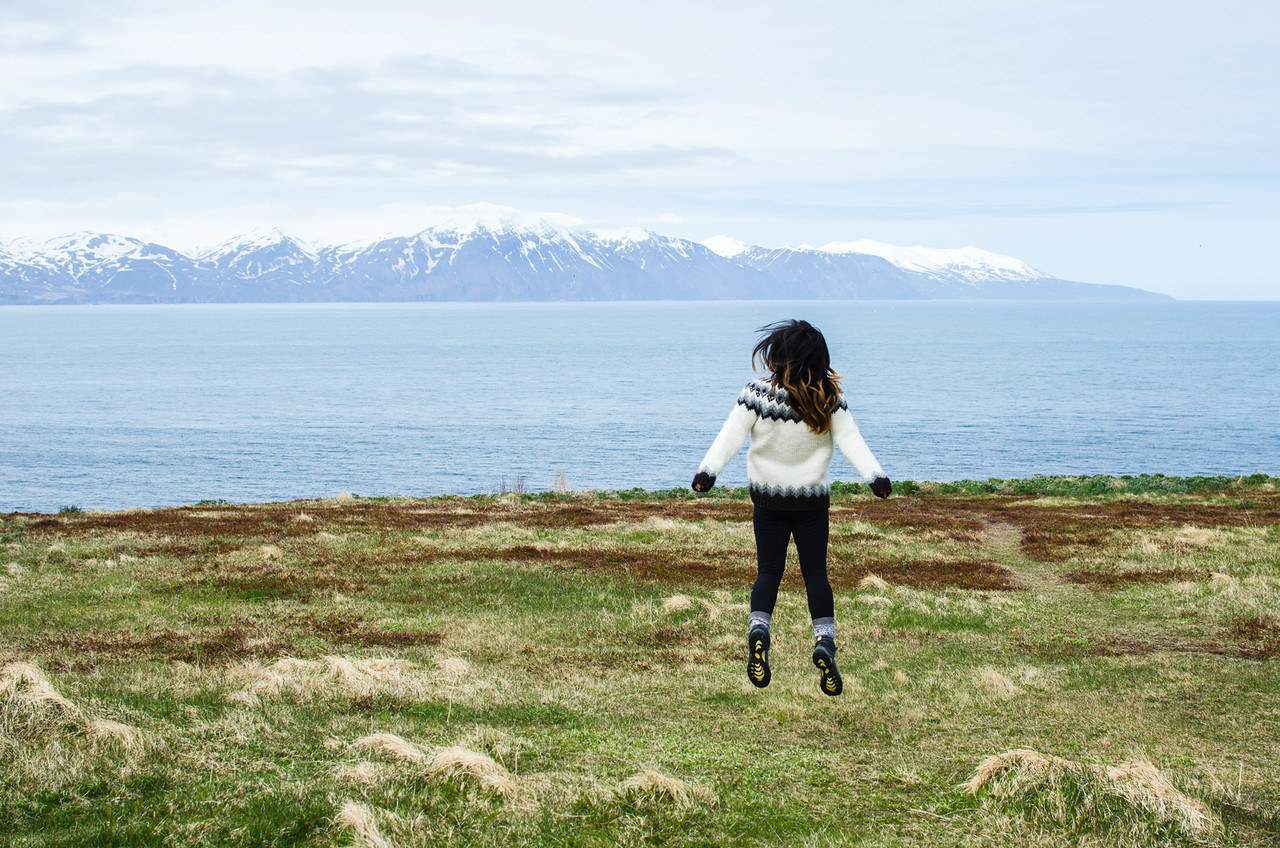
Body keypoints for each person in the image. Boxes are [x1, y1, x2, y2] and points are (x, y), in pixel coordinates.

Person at [692, 319, 891, 696]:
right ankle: (824, 642)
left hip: (768, 502)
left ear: (779, 356)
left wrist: (707, 472)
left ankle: (759, 630)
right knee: (816, 576)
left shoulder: (756, 394)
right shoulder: (828, 398)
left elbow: (730, 437)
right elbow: (852, 441)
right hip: (812, 505)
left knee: (768, 572)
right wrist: (875, 477)